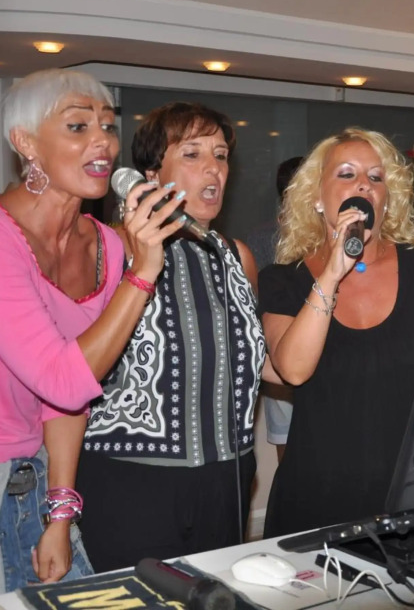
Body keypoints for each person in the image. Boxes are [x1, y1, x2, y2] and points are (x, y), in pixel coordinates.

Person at [0, 69, 183, 609]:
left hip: (29, 472)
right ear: (26, 142)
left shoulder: (104, 244)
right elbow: (62, 376)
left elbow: (67, 396)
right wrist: (143, 274)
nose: (103, 141)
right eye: (78, 126)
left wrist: (60, 510)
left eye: (107, 126)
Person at [259, 127, 414, 538]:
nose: (364, 185)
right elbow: (293, 369)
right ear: (317, 197)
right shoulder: (285, 280)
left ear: (386, 201)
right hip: (320, 492)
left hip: (412, 489)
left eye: (376, 177)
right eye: (347, 174)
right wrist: (332, 273)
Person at [76, 101, 272, 572]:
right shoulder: (108, 247)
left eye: (221, 155)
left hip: (228, 479)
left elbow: (265, 366)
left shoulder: (236, 256)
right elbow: (70, 371)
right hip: (132, 484)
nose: (213, 168)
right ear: (150, 175)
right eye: (192, 153)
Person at [247, 156, 303, 461]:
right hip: (277, 357)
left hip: (305, 356)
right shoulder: (263, 238)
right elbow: (254, 307)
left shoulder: (334, 236)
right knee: (289, 459)